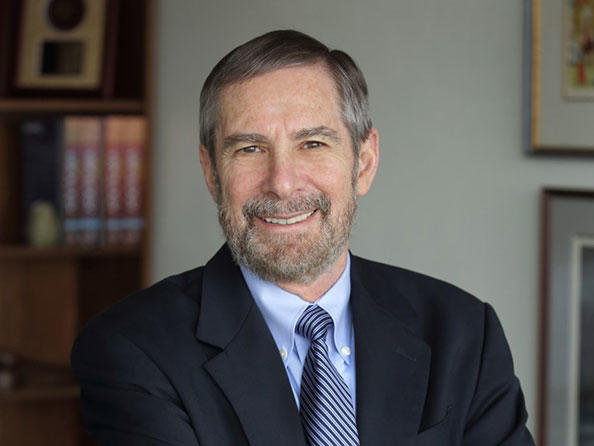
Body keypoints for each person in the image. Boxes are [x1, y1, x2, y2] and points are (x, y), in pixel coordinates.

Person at [71, 30, 535, 445]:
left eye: (313, 144)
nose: (283, 183)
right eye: (250, 148)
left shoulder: (464, 333)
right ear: (212, 173)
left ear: (364, 162)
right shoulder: (133, 349)